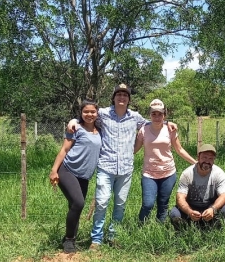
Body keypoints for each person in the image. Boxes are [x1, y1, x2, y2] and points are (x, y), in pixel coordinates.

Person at [66, 84, 177, 250]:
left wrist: (168, 122)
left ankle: (113, 235)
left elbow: (153, 121)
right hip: (106, 166)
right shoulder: (102, 114)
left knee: (120, 203)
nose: (122, 97)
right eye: (119, 94)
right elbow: (86, 116)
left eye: (125, 95)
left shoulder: (135, 117)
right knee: (102, 202)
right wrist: (73, 120)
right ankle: (96, 239)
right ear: (114, 97)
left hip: (125, 169)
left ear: (129, 99)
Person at [49, 100, 102, 253]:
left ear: (97, 113)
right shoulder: (75, 128)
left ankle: (71, 237)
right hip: (67, 170)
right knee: (78, 203)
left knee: (75, 207)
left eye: (93, 112)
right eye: (86, 112)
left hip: (84, 177)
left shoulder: (100, 130)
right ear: (81, 113)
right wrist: (54, 170)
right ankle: (69, 240)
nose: (89, 114)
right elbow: (64, 150)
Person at [134, 99, 197, 222]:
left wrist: (195, 163)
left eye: (160, 114)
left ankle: (160, 227)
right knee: (148, 204)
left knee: (163, 203)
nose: (157, 117)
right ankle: (140, 227)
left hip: (168, 173)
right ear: (149, 115)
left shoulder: (170, 129)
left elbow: (179, 150)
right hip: (149, 173)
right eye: (154, 114)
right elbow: (135, 149)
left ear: (165, 115)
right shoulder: (143, 130)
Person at [169, 144, 225, 230]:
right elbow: (180, 198)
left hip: (210, 206)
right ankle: (184, 231)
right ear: (198, 157)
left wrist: (212, 209)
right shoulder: (187, 173)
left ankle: (214, 229)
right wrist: (189, 212)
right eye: (204, 157)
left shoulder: (219, 173)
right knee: (174, 214)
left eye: (210, 158)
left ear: (214, 160)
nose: (207, 161)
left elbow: (224, 196)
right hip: (191, 207)